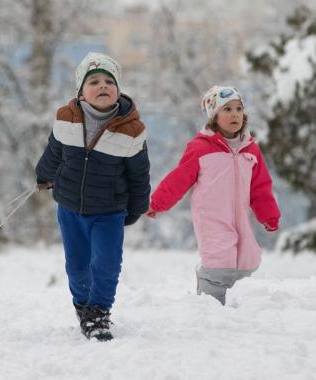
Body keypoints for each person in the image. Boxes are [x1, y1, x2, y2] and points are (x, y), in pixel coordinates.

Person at [35, 52, 150, 341]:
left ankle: (99, 312)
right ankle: (82, 304)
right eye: (94, 81)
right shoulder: (66, 119)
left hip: (110, 211)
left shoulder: (132, 130)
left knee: (107, 263)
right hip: (70, 207)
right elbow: (54, 153)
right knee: (76, 264)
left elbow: (139, 175)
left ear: (118, 89)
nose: (102, 86)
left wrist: (136, 208)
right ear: (81, 92)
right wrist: (44, 175)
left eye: (109, 81)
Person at [145, 85, 280, 305]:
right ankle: (209, 305)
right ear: (214, 116)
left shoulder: (251, 150)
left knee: (246, 261)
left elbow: (260, 187)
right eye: (226, 109)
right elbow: (179, 179)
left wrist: (269, 216)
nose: (235, 114)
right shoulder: (201, 148)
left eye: (238, 108)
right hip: (212, 218)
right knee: (218, 261)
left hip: (240, 218)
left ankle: (240, 307)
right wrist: (158, 203)